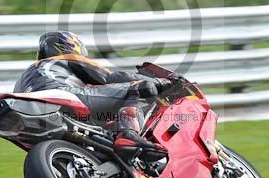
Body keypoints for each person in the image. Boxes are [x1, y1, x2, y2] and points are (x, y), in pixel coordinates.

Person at [14, 31, 171, 162]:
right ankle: (129, 134)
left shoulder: (24, 77)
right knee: (141, 89)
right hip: (63, 97)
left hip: (36, 117)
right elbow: (112, 77)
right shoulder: (66, 59)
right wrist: (159, 82)